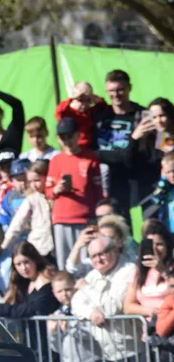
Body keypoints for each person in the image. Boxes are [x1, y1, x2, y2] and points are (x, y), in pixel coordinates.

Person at [93, 70, 153, 216]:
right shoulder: (99, 115)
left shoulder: (142, 115)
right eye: (111, 91)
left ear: (129, 88)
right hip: (104, 181)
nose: (116, 94)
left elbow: (146, 152)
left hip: (134, 184)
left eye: (120, 89)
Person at [48, 117, 103, 270]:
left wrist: (97, 216)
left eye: (70, 136)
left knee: (87, 262)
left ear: (78, 135)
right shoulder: (56, 160)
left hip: (86, 217)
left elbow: (98, 191)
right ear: (58, 139)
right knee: (65, 263)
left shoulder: (90, 158)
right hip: (62, 218)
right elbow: (48, 191)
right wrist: (56, 190)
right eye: (62, 137)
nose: (67, 141)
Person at [0, 242, 58, 319]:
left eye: (26, 262)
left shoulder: (47, 282)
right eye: (18, 264)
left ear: (35, 260)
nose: (23, 268)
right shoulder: (22, 283)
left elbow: (32, 308)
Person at [123, 220, 174, 319]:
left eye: (159, 244)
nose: (155, 249)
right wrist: (149, 311)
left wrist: (163, 272)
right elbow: (127, 307)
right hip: (151, 329)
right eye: (151, 245)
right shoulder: (138, 273)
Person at [4, 160, 54, 259]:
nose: (34, 185)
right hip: (39, 247)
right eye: (30, 182)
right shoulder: (32, 199)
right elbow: (17, 223)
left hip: (57, 247)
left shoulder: (56, 197)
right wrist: (5, 244)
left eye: (37, 180)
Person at [55, 82, 99, 151]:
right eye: (80, 100)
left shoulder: (90, 112)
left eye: (88, 101)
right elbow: (59, 111)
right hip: (73, 149)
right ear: (74, 99)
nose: (84, 104)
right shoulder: (68, 112)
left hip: (89, 149)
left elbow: (102, 106)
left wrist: (95, 98)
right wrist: (71, 98)